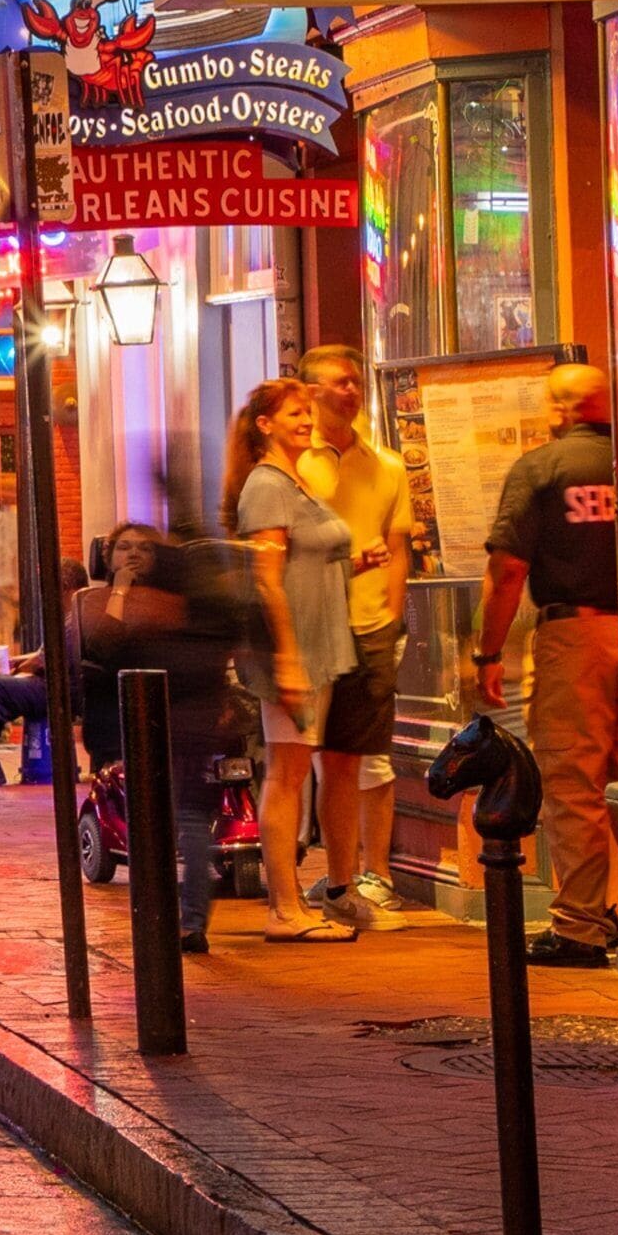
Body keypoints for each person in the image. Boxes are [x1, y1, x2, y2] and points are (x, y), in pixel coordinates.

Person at [474, 363, 618, 967]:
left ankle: (580, 927)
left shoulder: (541, 468)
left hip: (574, 636)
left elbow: (508, 570)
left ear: (561, 410)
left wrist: (489, 652)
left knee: (571, 780)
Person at [228, 378, 361, 944]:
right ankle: (284, 908)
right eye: (293, 413)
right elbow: (267, 582)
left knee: (294, 773)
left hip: (316, 648)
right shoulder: (266, 486)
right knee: (285, 776)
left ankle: (290, 903)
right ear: (265, 425)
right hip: (296, 653)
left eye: (308, 411)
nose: (307, 420)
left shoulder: (292, 482)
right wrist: (286, 658)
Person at [92, 525, 253, 955]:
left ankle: (188, 922)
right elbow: (102, 652)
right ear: (107, 556)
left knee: (187, 821)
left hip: (182, 727)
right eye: (124, 547)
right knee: (157, 822)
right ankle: (170, 918)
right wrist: (121, 590)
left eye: (145, 548)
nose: (135, 555)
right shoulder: (105, 601)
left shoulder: (176, 604)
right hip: (137, 729)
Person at [298, 343, 416, 926]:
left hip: (369, 628)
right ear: (310, 391)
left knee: (350, 760)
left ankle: (343, 883)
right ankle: (293, 892)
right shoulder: (294, 463)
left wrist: (392, 620)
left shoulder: (388, 466)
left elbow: (398, 550)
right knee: (299, 760)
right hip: (310, 631)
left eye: (355, 382)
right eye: (339, 382)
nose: (352, 390)